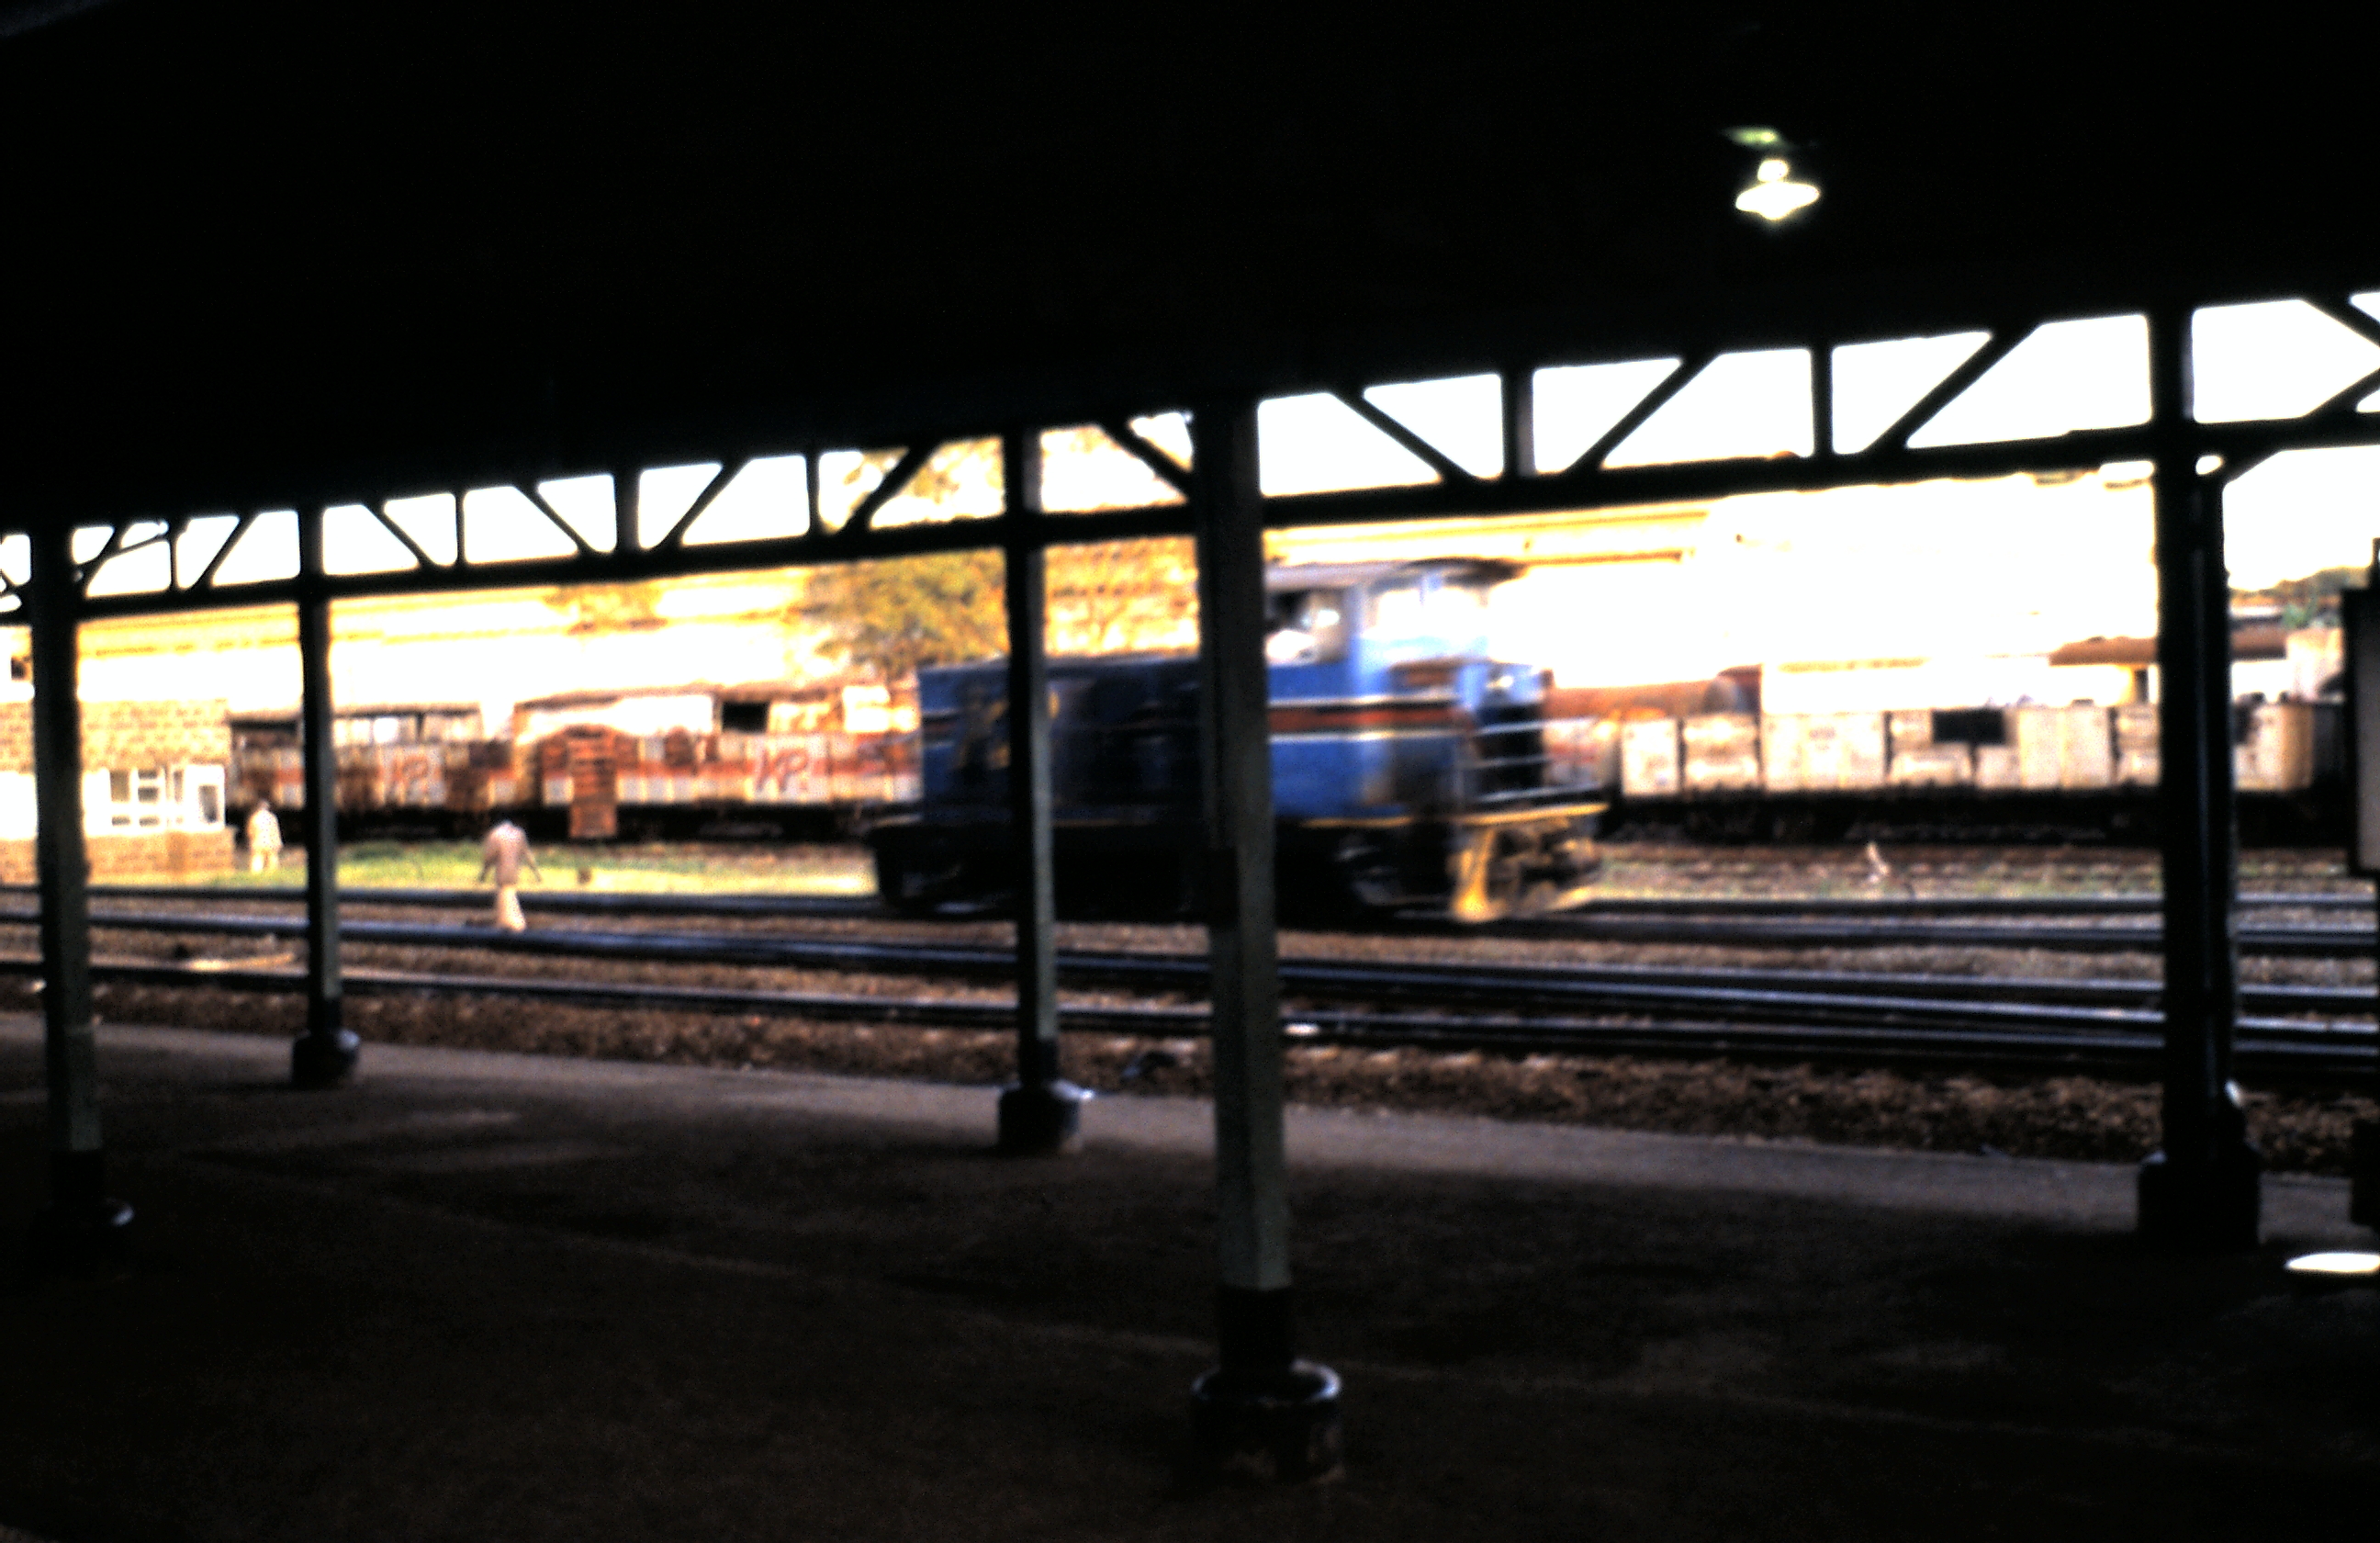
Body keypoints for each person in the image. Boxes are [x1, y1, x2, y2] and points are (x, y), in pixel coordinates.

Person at [477, 818, 542, 931]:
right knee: (509, 897)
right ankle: (511, 924)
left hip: (502, 876)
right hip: (513, 876)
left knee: (504, 899)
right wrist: (537, 874)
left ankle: (508, 924)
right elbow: (528, 855)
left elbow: (488, 858)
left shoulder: (495, 835)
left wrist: (483, 874)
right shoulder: (519, 834)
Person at [246, 800, 282, 874]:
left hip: (258, 841)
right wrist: (278, 841)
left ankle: (256, 874)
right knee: (272, 858)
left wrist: (252, 840)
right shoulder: (272, 818)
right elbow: (275, 831)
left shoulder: (254, 817)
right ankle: (272, 873)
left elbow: (250, 831)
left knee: (257, 858)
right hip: (270, 841)